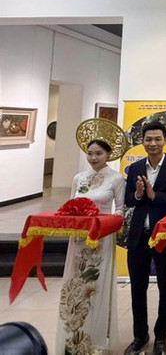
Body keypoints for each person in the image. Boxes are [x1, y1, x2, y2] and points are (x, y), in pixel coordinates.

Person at [56, 132, 125, 354]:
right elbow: (69, 205)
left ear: (108, 155)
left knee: (96, 285)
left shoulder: (115, 178)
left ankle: (96, 336)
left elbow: (121, 210)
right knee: (76, 285)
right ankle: (74, 331)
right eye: (90, 153)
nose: (94, 157)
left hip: (102, 238)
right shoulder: (79, 178)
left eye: (99, 153)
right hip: (78, 238)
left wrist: (105, 225)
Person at [124, 121, 166, 355]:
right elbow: (129, 200)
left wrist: (154, 194)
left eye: (157, 139)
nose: (152, 144)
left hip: (164, 235)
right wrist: (139, 194)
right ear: (142, 142)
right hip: (139, 236)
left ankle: (161, 336)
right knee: (137, 288)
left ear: (165, 141)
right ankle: (140, 335)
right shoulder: (136, 167)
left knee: (165, 286)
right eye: (148, 139)